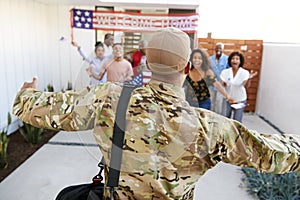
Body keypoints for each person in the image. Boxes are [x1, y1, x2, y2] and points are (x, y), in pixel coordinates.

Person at [13, 27, 300, 200]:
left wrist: (26, 93)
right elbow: (274, 153)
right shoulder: (210, 127)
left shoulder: (108, 98)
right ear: (187, 68)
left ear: (147, 63)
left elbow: (39, 109)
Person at [220, 51, 258, 122]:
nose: (235, 60)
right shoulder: (225, 72)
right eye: (233, 58)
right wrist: (223, 83)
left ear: (240, 61)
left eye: (237, 59)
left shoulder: (244, 73)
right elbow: (222, 84)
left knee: (237, 121)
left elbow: (245, 86)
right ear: (230, 60)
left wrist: (249, 79)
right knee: (225, 119)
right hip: (228, 98)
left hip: (240, 99)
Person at [209, 42, 229, 115]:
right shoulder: (210, 59)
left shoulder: (226, 59)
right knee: (211, 102)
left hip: (221, 85)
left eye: (220, 48)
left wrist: (226, 81)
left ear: (223, 50)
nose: (218, 49)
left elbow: (229, 71)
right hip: (212, 85)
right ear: (215, 49)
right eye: (217, 48)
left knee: (219, 103)